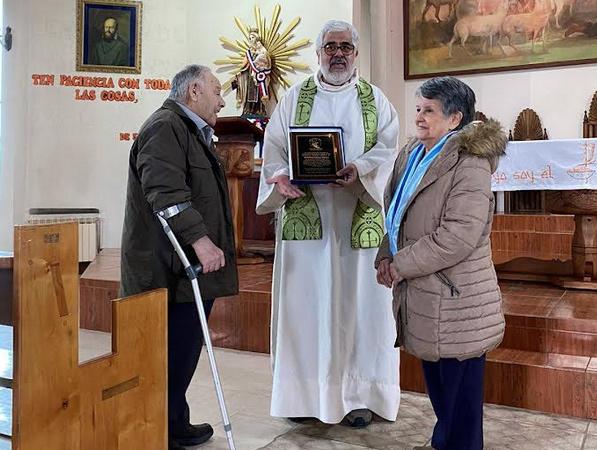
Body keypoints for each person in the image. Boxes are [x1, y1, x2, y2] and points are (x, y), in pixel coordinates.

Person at [256, 20, 400, 427]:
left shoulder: (376, 100)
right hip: (308, 222)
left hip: (357, 215)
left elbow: (389, 150)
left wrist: (362, 170)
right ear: (318, 53)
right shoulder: (294, 99)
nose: (338, 54)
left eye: (345, 47)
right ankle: (303, 397)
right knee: (305, 307)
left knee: (361, 309)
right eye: (330, 47)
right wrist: (280, 177)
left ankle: (359, 397)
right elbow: (274, 149)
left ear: (356, 53)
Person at [375, 76, 506, 450]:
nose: (418, 117)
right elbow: (396, 212)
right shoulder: (411, 154)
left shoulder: (471, 162)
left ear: (454, 119)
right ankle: (443, 441)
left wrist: (400, 264)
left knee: (460, 400)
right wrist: (385, 254)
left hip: (457, 297)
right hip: (425, 292)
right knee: (440, 390)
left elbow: (458, 236)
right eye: (418, 108)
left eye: (428, 111)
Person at [120, 65, 238, 450]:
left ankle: (173, 422)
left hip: (186, 268)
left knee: (182, 351)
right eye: (217, 91)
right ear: (193, 91)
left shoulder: (187, 130)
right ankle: (157, 431)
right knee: (166, 353)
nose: (222, 101)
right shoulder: (165, 127)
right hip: (168, 269)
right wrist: (201, 241)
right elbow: (166, 193)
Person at [232, 28, 274, 117]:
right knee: (250, 94)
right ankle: (249, 110)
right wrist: (239, 74)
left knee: (259, 93)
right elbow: (244, 65)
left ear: (257, 39)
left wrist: (261, 67)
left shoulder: (263, 51)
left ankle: (259, 110)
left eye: (252, 37)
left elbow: (266, 63)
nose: (251, 39)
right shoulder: (249, 52)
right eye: (249, 38)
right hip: (251, 76)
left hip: (260, 76)